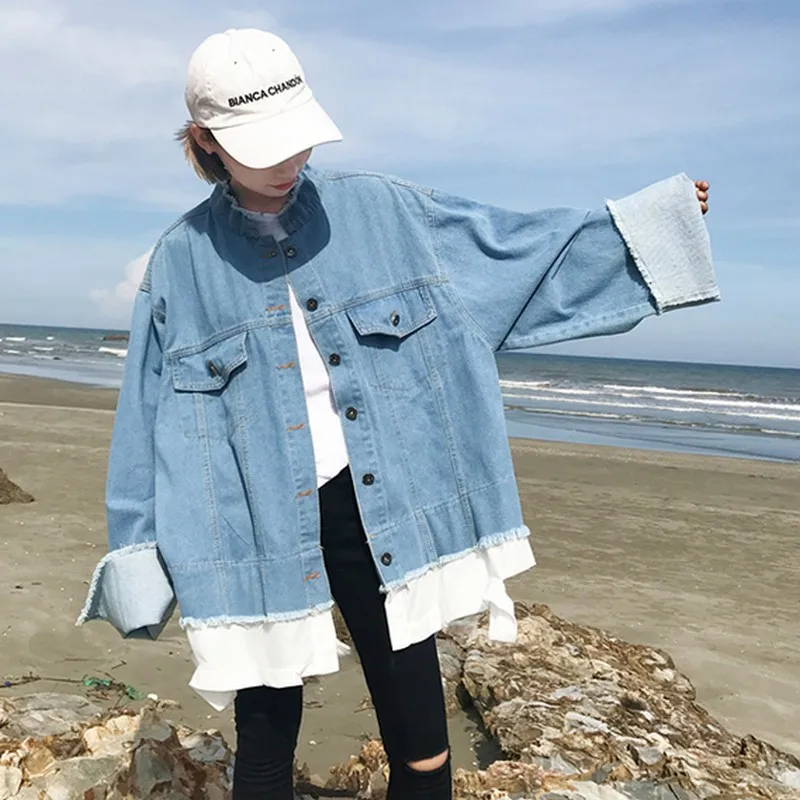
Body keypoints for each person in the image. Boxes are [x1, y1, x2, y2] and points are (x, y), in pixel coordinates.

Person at [77, 27, 715, 800]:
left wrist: (647, 228)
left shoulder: (384, 211)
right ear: (207, 141)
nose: (287, 160)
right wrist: (138, 554)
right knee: (266, 732)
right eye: (261, 145)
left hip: (375, 506)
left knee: (418, 730)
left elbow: (517, 253)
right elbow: (144, 414)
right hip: (250, 524)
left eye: (296, 137)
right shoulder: (181, 262)